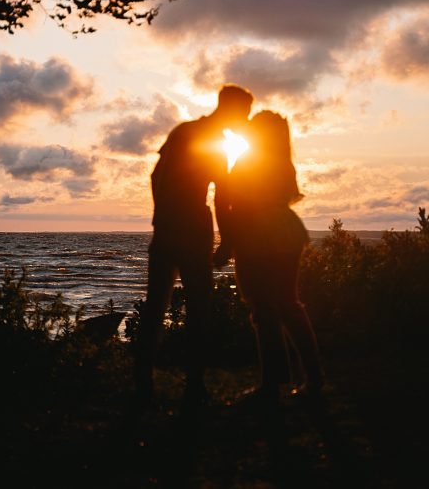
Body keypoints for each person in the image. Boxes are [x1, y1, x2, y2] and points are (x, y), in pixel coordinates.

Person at [135, 84, 254, 405]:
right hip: (189, 229)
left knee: (156, 306)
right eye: (243, 115)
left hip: (169, 227)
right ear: (230, 109)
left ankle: (147, 381)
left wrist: (161, 214)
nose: (244, 121)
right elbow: (223, 197)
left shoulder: (185, 131)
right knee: (198, 308)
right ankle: (192, 384)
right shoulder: (211, 141)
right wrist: (227, 239)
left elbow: (156, 177)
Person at [215, 110, 324, 403]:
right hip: (285, 233)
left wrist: (228, 241)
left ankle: (274, 385)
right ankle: (307, 380)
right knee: (287, 307)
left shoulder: (250, 162)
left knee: (266, 310)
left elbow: (233, 202)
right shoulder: (283, 163)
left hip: (259, 237)